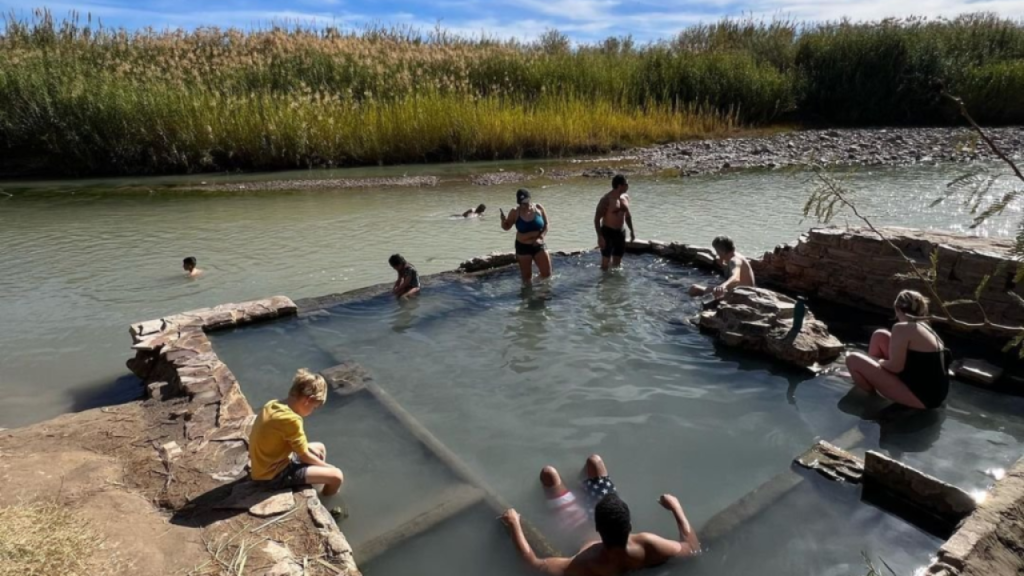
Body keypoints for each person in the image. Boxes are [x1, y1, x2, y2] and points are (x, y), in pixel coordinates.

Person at [501, 454, 700, 576]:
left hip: (577, 525)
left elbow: (533, 565)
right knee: (594, 461)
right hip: (607, 515)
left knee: (549, 473)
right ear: (629, 525)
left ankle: (575, 493)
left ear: (597, 527)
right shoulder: (648, 545)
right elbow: (692, 548)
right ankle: (580, 487)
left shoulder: (583, 564)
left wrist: (514, 524)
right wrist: (676, 508)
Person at [843, 290, 950, 410]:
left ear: (897, 309)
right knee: (880, 335)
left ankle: (872, 397)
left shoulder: (901, 328)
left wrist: (877, 361)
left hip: (922, 398)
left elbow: (895, 367)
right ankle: (872, 379)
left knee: (852, 359)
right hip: (935, 393)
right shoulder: (925, 327)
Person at [248, 368, 344, 496]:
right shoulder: (292, 420)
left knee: (319, 448)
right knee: (337, 476)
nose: (312, 412)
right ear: (308, 400)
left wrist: (314, 459)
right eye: (314, 407)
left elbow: (289, 442)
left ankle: (313, 482)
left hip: (264, 465)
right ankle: (326, 499)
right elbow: (304, 455)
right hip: (272, 475)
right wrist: (327, 467)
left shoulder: (272, 404)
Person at [501, 189, 552, 283]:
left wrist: (541, 237)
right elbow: (506, 227)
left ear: (530, 199)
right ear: (519, 202)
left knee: (547, 274)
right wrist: (503, 221)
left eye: (526, 202)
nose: (525, 205)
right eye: (522, 203)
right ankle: (529, 296)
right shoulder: (515, 212)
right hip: (523, 247)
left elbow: (547, 224)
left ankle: (542, 292)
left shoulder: (539, 208)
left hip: (538, 245)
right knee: (527, 278)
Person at [688, 236, 755, 299]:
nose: (717, 254)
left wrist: (723, 286)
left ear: (722, 251)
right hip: (742, 292)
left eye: (717, 251)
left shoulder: (734, 260)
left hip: (741, 296)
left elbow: (736, 278)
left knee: (694, 289)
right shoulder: (734, 256)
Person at [594, 175, 636, 271]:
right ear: (620, 185)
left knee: (617, 261)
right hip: (608, 232)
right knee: (605, 262)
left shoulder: (625, 197)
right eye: (626, 184)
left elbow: (627, 215)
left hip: (620, 232)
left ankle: (615, 284)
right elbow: (596, 219)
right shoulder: (606, 200)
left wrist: (632, 231)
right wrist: (600, 237)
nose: (628, 186)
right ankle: (603, 282)